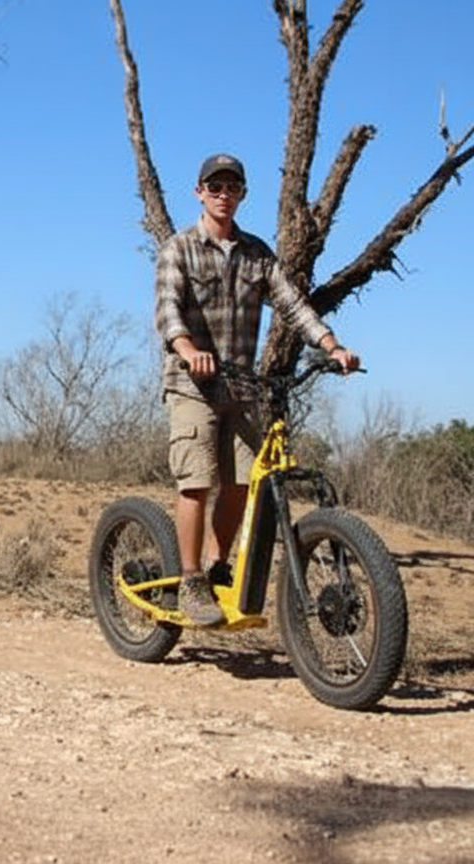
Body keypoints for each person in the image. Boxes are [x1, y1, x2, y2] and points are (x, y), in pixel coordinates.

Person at [154, 154, 359, 626]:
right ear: (199, 192)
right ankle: (189, 580)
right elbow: (168, 311)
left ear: (243, 194)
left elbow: (291, 303)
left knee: (245, 483)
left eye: (233, 187)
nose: (224, 195)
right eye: (215, 187)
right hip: (191, 384)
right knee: (197, 482)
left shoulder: (256, 253)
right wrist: (187, 349)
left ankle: (216, 564)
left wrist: (332, 345)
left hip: (240, 387)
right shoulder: (179, 248)